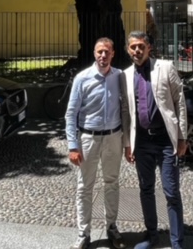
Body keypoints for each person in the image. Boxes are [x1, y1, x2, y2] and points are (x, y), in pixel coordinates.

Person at [123, 31, 188, 249]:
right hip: (141, 142)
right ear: (127, 49)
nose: (137, 50)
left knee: (171, 193)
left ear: (149, 47)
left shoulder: (165, 67)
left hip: (165, 140)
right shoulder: (126, 75)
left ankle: (176, 242)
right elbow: (126, 112)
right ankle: (152, 236)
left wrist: (182, 137)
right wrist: (128, 143)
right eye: (133, 47)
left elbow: (180, 101)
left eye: (141, 46)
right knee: (146, 189)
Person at [65, 37, 128, 249]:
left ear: (113, 54)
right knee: (85, 187)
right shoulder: (82, 78)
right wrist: (73, 145)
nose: (103, 55)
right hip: (88, 138)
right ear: (94, 53)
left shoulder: (120, 77)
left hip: (113, 137)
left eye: (107, 52)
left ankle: (112, 226)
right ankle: (83, 233)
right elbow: (71, 113)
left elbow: (127, 109)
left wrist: (127, 142)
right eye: (100, 51)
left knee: (112, 183)